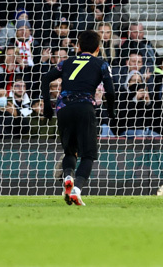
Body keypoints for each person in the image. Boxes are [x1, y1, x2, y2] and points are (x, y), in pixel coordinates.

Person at [40, 30, 116, 206]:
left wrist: (47, 106)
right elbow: (110, 91)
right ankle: (77, 189)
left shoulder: (66, 63)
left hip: (63, 108)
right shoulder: (101, 64)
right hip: (84, 107)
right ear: (98, 49)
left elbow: (45, 78)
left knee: (70, 151)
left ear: (78, 47)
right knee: (88, 155)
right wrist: (111, 112)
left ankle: (68, 176)